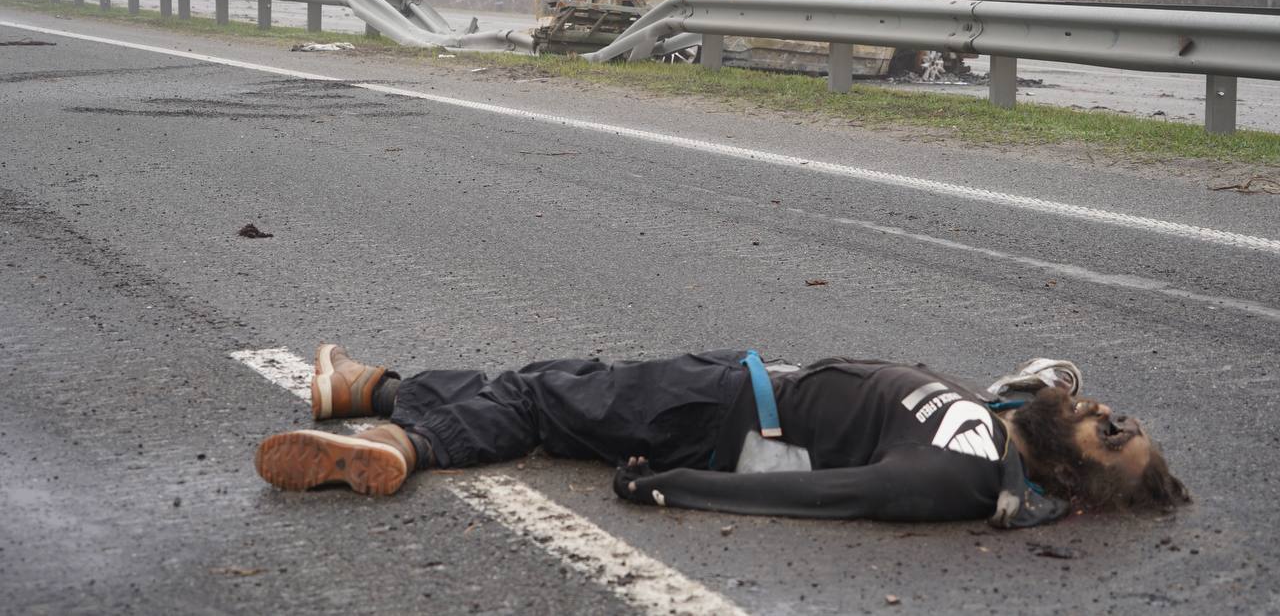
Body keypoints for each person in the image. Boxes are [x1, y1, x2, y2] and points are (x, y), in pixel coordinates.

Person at [254, 345, 1189, 528]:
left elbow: (827, 494)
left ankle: (402, 442)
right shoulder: (1001, 427)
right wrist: (1051, 397)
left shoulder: (963, 475)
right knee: (558, 381)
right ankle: (367, 385)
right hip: (732, 389)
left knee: (540, 399)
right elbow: (1046, 384)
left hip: (716, 413)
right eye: (1128, 420)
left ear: (1076, 478)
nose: (1113, 418)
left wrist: (672, 488)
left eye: (1116, 441)